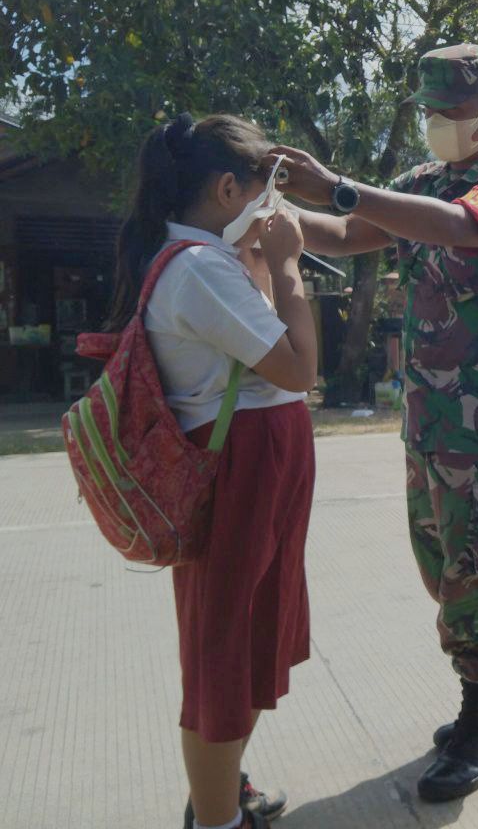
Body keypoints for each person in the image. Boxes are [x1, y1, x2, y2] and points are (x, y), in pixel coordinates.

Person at [267, 43, 478, 803]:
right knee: (442, 565)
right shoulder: (416, 183)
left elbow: (461, 226)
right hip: (427, 412)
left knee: (475, 569)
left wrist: (343, 188)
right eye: (430, 112)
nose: (438, 126)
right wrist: (276, 212)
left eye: (452, 113)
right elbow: (347, 235)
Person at [105, 113, 318, 829]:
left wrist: (263, 262)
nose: (275, 206)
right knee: (223, 655)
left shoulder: (211, 262)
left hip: (260, 471)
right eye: (267, 189)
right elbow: (298, 366)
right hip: (241, 475)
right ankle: (217, 821)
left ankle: (222, 795)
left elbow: (266, 355)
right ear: (230, 188)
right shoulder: (195, 269)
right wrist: (288, 265)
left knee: (250, 642)